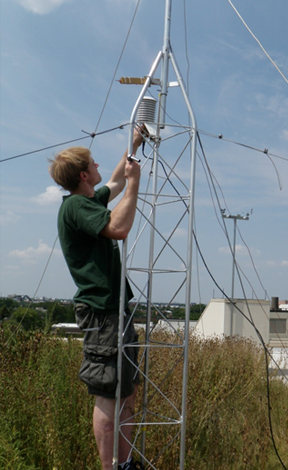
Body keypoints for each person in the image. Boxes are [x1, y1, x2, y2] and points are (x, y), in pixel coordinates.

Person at [49, 128, 145, 470]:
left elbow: (116, 181)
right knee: (108, 393)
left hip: (114, 309)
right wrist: (136, 184)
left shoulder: (87, 199)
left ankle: (126, 462)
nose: (100, 163)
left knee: (126, 391)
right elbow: (118, 228)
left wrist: (132, 149)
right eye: (93, 162)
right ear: (85, 174)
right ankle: (111, 467)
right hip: (101, 311)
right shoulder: (76, 206)